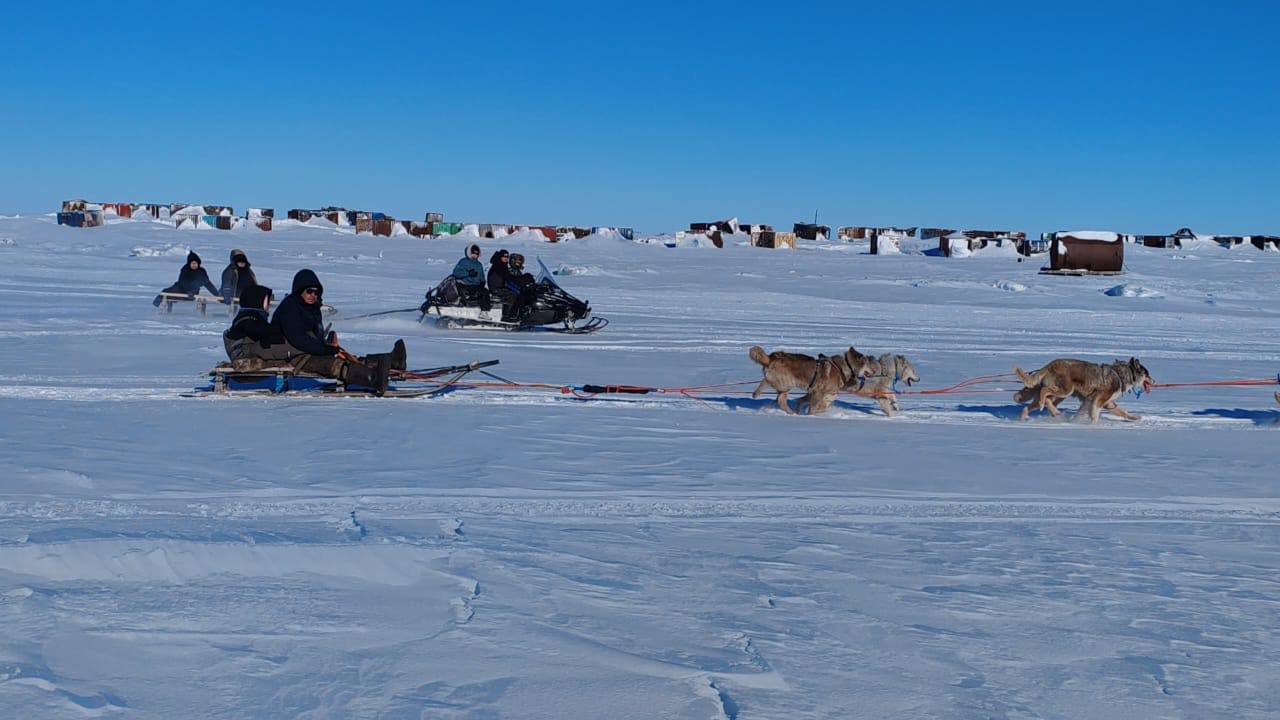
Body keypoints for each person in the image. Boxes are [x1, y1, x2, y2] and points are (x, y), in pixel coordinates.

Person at [266, 270, 407, 395]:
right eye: (309, 291)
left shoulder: (310, 308)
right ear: (299, 290)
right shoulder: (290, 308)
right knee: (334, 364)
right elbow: (298, 339)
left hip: (305, 350)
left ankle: (391, 360)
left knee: (344, 355)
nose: (313, 295)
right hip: (293, 355)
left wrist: (327, 346)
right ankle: (373, 379)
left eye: (316, 292)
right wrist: (325, 349)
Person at [153, 251, 219, 306]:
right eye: (192, 263)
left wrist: (217, 295)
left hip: (193, 291)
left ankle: (169, 301)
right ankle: (160, 302)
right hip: (181, 288)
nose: (194, 265)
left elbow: (207, 283)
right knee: (167, 291)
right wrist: (188, 291)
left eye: (195, 263)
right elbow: (183, 281)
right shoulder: (185, 269)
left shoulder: (201, 272)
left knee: (190, 290)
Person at [451, 243, 490, 311]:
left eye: (476, 254)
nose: (475, 255)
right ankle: (482, 311)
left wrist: (482, 282)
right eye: (473, 253)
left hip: (476, 285)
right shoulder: (463, 262)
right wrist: (468, 273)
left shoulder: (479, 264)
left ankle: (486, 310)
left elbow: (481, 275)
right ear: (470, 253)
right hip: (465, 284)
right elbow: (456, 273)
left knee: (485, 292)